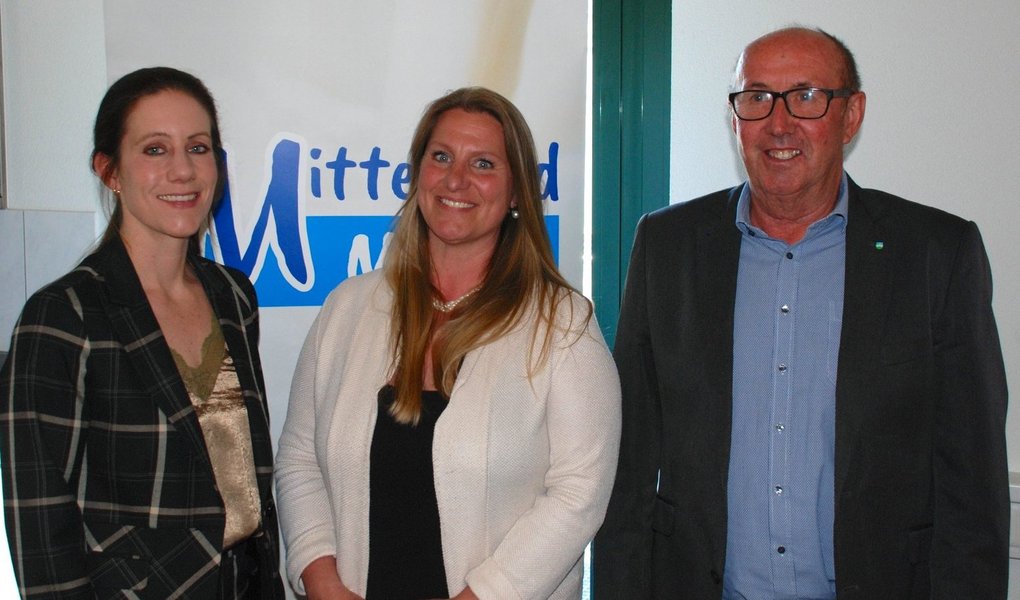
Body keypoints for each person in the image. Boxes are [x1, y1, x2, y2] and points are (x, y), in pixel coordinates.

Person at [593, 26, 1008, 599]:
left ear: (851, 115)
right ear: (734, 118)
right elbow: (630, 457)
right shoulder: (669, 245)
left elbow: (973, 475)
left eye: (806, 97)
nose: (779, 123)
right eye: (757, 97)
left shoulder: (935, 253)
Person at [275, 86, 621, 600]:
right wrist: (322, 582)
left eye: (483, 164)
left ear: (517, 193)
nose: (456, 179)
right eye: (441, 157)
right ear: (417, 174)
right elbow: (298, 459)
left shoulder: (562, 325)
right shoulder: (346, 309)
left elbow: (579, 492)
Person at [0, 67, 285, 599]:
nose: (183, 170)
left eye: (198, 148)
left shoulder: (233, 295)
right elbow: (40, 527)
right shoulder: (63, 316)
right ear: (109, 170)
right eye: (155, 150)